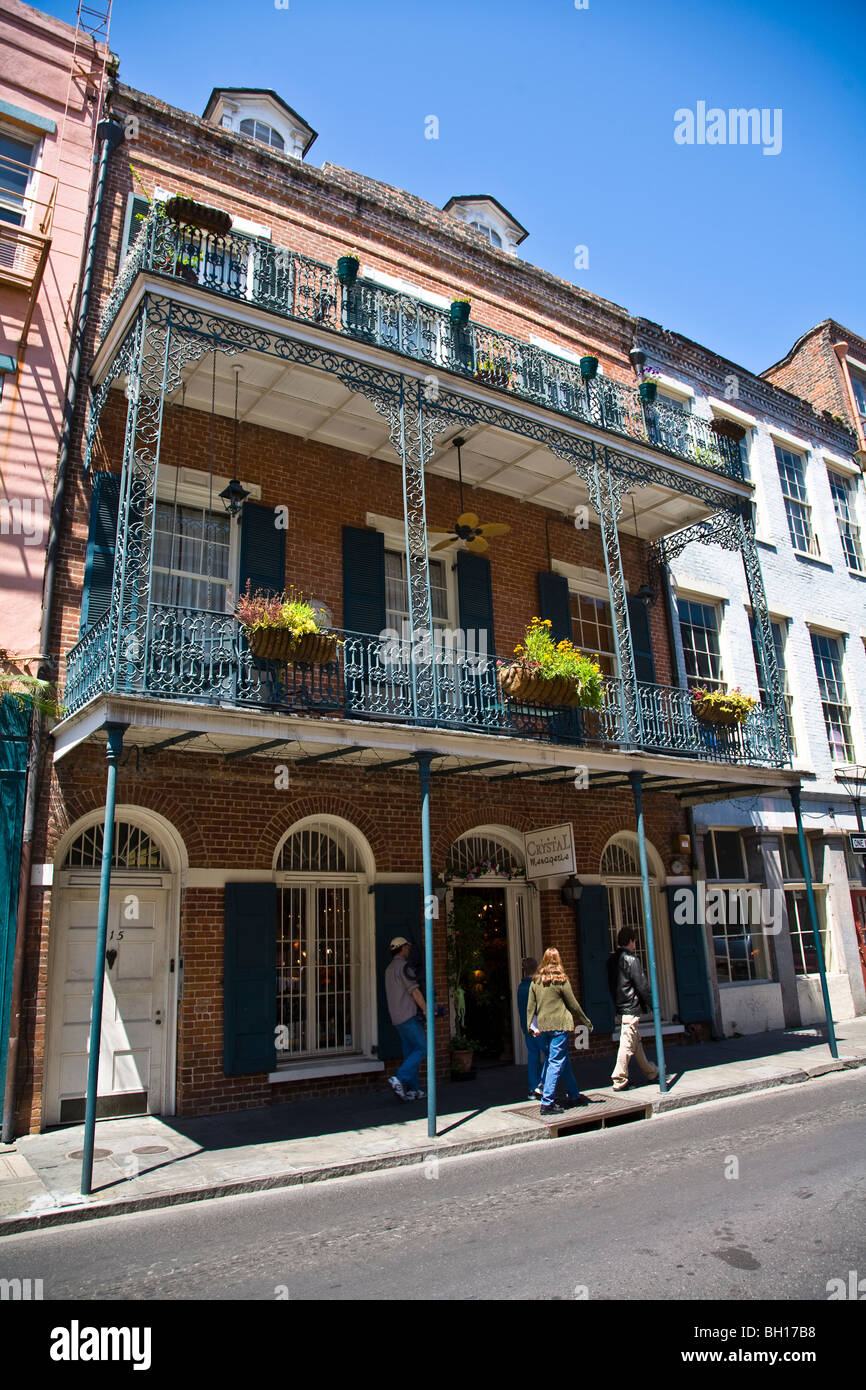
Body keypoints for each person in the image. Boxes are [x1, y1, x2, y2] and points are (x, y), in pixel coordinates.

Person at [527, 947, 593, 1116]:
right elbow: (573, 1004)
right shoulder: (561, 980)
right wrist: (586, 1022)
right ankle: (547, 1101)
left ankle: (573, 1094)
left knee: (558, 1059)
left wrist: (530, 1026)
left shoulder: (535, 981)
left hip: (543, 1026)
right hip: (560, 1026)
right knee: (556, 1062)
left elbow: (530, 1007)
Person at [606, 927, 660, 1091]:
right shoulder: (631, 960)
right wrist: (652, 1005)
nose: (635, 944)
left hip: (620, 1006)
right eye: (634, 940)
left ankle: (651, 1072)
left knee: (635, 1042)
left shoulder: (611, 961)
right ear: (630, 941)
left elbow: (611, 985)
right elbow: (641, 985)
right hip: (630, 1007)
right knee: (628, 1043)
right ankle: (619, 1078)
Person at [385, 936, 427, 1102]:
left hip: (396, 1018)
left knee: (410, 1053)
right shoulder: (404, 967)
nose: (408, 950)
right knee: (423, 1048)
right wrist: (425, 1009)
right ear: (402, 948)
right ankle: (400, 1078)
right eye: (407, 948)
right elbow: (414, 991)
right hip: (408, 1016)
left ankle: (413, 1090)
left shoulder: (389, 969)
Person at [516, 956, 548, 1100]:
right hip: (538, 1026)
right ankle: (542, 1084)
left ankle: (532, 1086)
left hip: (527, 1027)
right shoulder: (534, 986)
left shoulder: (521, 987)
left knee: (533, 1056)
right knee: (550, 1055)